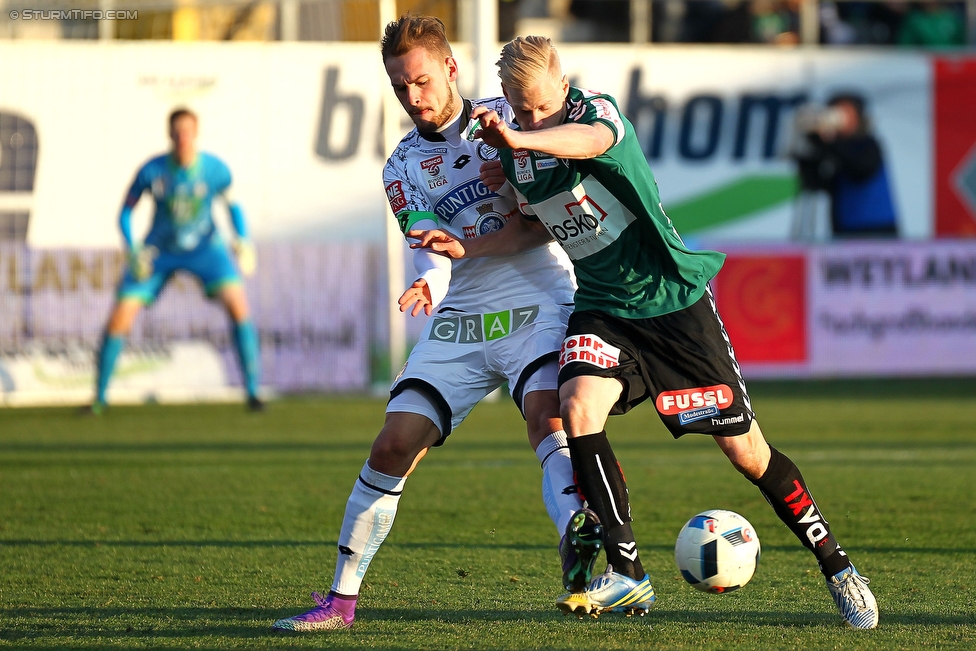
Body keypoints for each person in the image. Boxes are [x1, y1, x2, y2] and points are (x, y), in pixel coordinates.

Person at [412, 35, 879, 629]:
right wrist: (466, 246)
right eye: (519, 108)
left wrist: (521, 137)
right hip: (603, 307)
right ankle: (628, 572)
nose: (531, 116)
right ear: (504, 99)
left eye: (538, 105)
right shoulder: (515, 152)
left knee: (747, 453)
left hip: (672, 306)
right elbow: (537, 227)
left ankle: (837, 566)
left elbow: (592, 143)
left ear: (562, 84)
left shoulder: (595, 114)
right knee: (576, 406)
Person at [271, 15, 590, 633]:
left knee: (546, 415)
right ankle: (339, 602)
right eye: (400, 88)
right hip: (463, 310)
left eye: (420, 81)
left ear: (449, 68)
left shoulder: (511, 117)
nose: (413, 98)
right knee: (394, 444)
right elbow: (430, 239)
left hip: (537, 294)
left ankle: (584, 568)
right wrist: (430, 277)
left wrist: (520, 178)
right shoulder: (400, 167)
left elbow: (562, 194)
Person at [86, 108, 262, 413]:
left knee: (238, 304)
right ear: (169, 135)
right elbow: (125, 212)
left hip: (206, 248)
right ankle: (99, 399)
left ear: (196, 134)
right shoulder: (152, 171)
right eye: (177, 132)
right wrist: (132, 248)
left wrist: (242, 239)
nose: (182, 137)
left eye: (187, 131)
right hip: (159, 251)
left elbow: (233, 207)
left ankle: (252, 393)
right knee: (121, 315)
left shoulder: (215, 170)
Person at [793, 93, 898, 238]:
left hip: (878, 230)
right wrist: (811, 145)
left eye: (846, 113)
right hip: (844, 230)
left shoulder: (869, 144)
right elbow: (817, 183)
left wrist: (829, 143)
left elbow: (860, 171)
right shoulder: (832, 148)